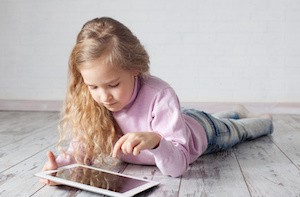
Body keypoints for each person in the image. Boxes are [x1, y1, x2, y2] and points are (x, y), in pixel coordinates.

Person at [41, 17, 273, 184]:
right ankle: (232, 111)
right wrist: (60, 167)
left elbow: (178, 166)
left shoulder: (159, 95)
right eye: (93, 87)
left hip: (205, 133)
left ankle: (260, 119)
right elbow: (80, 150)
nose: (104, 97)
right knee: (196, 119)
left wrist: (156, 142)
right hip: (180, 120)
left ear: (135, 68)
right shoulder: (94, 103)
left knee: (238, 130)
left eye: (113, 85)